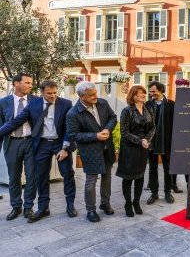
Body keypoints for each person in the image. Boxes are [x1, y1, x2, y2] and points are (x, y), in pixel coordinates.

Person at [0, 80, 77, 223]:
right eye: (49, 93)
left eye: (55, 92)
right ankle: (43, 208)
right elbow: (16, 121)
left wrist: (65, 148)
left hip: (60, 143)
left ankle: (70, 205)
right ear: (42, 92)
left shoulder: (66, 104)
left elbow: (69, 128)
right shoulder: (33, 104)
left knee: (68, 174)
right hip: (41, 144)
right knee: (41, 177)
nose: (53, 96)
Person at [66, 81, 117, 223]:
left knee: (107, 178)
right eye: (91, 95)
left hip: (107, 147)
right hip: (90, 152)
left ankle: (105, 203)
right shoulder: (73, 113)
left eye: (95, 93)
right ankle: (91, 210)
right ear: (82, 97)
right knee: (91, 182)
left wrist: (107, 129)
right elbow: (73, 134)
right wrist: (96, 136)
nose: (96, 96)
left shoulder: (103, 103)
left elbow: (113, 117)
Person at [0, 73, 37, 220]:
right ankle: (16, 207)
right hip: (12, 142)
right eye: (27, 82)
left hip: (31, 142)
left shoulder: (36, 101)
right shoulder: (3, 102)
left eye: (31, 83)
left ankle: (28, 207)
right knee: (14, 177)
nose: (30, 85)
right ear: (16, 83)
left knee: (31, 176)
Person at [117, 85, 155, 217]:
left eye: (144, 94)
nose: (144, 95)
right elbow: (124, 132)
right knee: (128, 177)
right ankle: (128, 203)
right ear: (133, 96)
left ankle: (136, 202)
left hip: (143, 147)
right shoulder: (127, 111)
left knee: (140, 176)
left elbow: (153, 128)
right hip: (129, 148)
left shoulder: (148, 109)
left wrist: (147, 140)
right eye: (141, 94)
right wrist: (140, 140)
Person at [146, 81, 175, 205]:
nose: (151, 94)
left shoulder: (171, 105)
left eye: (154, 91)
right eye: (150, 91)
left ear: (161, 90)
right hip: (151, 141)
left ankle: (168, 192)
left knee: (167, 167)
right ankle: (154, 193)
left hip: (166, 141)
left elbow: (175, 123)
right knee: (152, 168)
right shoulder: (147, 104)